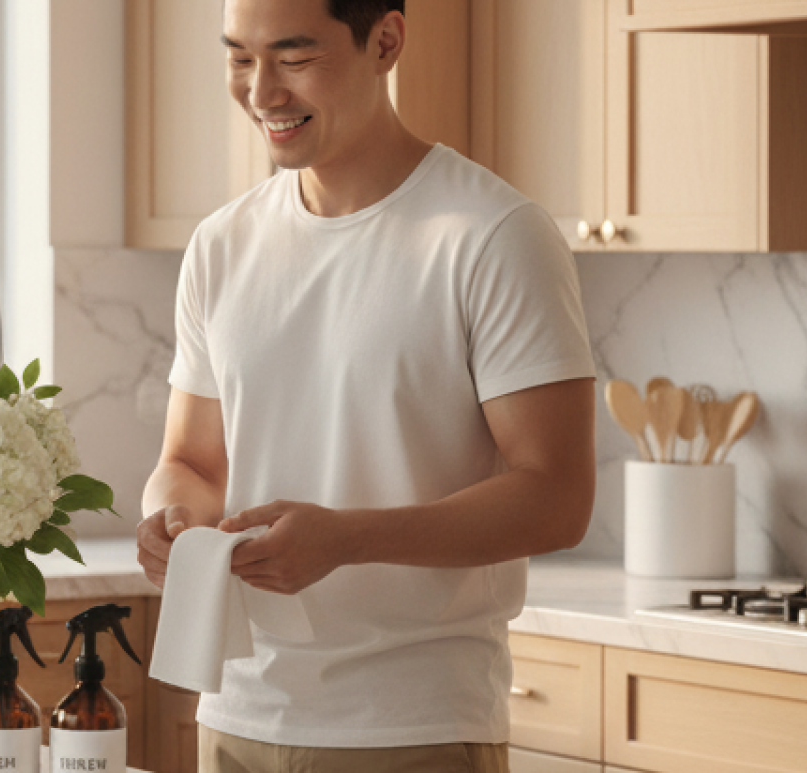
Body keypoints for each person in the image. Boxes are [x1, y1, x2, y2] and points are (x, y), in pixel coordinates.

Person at [135, 1, 596, 771]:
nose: (261, 91)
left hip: (411, 725)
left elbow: (557, 495)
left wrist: (347, 539)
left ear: (385, 42)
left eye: (293, 57)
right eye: (240, 59)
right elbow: (194, 461)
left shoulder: (492, 236)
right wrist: (170, 519)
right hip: (238, 713)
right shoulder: (222, 245)